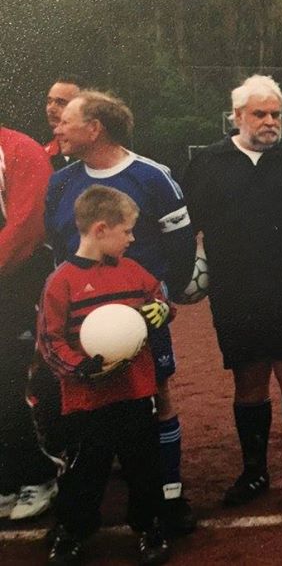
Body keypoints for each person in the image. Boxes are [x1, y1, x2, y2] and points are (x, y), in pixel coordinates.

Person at [182, 74, 282, 509]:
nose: (270, 121)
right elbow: (185, 227)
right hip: (235, 292)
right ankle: (254, 472)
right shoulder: (208, 163)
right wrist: (177, 275)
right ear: (237, 116)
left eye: (276, 114)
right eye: (260, 114)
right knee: (249, 381)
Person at [45, 89, 197, 533]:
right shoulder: (60, 183)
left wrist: (161, 299)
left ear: (94, 129)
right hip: (81, 320)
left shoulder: (153, 177)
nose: (57, 127)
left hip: (140, 318)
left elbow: (181, 248)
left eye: (67, 121)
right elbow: (58, 248)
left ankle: (168, 493)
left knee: (157, 396)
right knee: (86, 403)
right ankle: (87, 504)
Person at [38, 185, 172, 565]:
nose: (132, 239)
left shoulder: (133, 271)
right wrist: (81, 368)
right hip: (86, 400)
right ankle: (73, 530)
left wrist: (162, 310)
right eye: (126, 231)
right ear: (100, 229)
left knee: (143, 466)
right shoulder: (61, 281)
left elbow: (159, 298)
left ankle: (149, 526)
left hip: (135, 392)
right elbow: (50, 341)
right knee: (85, 470)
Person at [0, 125, 59, 521]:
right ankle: (7, 478)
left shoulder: (19, 150)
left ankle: (39, 473)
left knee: (9, 382)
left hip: (15, 284)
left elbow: (27, 228)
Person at [44, 79, 80, 169]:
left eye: (61, 103)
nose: (51, 109)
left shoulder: (102, 156)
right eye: (49, 102)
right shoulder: (43, 155)